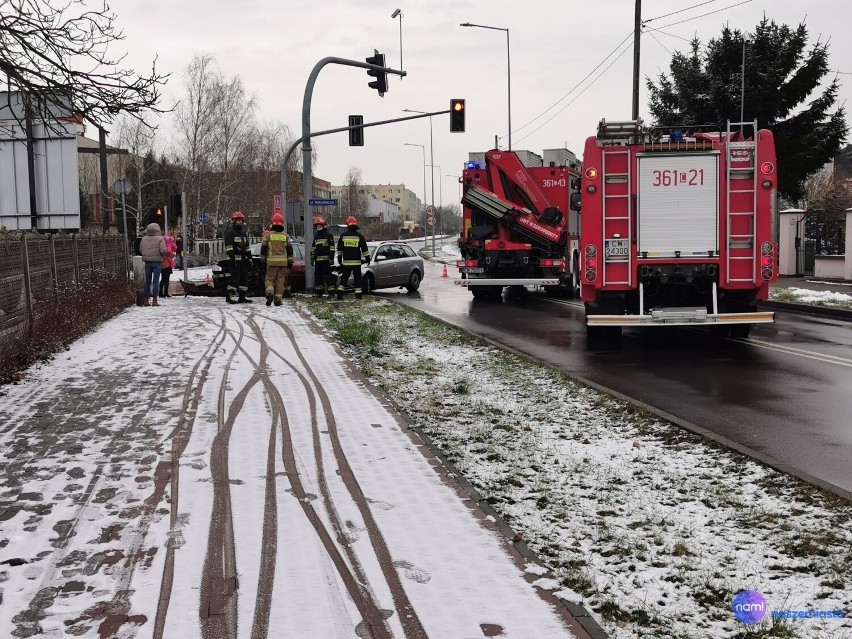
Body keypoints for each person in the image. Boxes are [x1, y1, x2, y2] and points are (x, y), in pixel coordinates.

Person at [261, 213, 294, 306]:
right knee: (280, 281)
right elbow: (290, 250)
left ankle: (270, 293)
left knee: (269, 279)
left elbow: (263, 249)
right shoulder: (286, 236)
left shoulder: (268, 236)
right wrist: (290, 261)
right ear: (282, 223)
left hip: (271, 262)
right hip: (283, 263)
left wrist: (263, 260)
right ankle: (278, 300)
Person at [336, 216, 369, 300]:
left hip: (346, 262)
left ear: (347, 225)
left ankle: (340, 294)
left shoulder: (343, 236)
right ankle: (358, 295)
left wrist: (340, 259)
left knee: (344, 278)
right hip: (356, 262)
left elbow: (339, 248)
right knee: (357, 279)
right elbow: (364, 248)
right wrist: (367, 258)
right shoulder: (359, 236)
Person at [224, 211, 251, 304]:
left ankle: (242, 297)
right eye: (238, 220)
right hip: (234, 260)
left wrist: (249, 257)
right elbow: (229, 247)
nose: (239, 222)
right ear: (234, 221)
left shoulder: (243, 232)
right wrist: (232, 258)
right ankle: (229, 296)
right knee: (235, 278)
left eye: (241, 220)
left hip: (243, 260)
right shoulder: (230, 232)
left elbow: (246, 246)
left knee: (244, 278)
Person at [139, 222, 168, 307]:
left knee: (147, 281)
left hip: (147, 262)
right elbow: (163, 250)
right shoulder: (160, 239)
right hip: (157, 262)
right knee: (155, 282)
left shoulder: (144, 239)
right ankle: (155, 301)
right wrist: (163, 256)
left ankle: (145, 300)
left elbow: (141, 250)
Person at [310, 216, 336, 296]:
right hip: (318, 261)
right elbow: (313, 248)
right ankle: (319, 293)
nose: (318, 227)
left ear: (323, 225)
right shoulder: (316, 236)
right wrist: (312, 258)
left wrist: (331, 258)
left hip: (326, 261)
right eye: (317, 226)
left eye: (320, 226)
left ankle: (331, 293)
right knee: (318, 277)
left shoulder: (328, 236)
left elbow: (332, 247)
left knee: (328, 277)